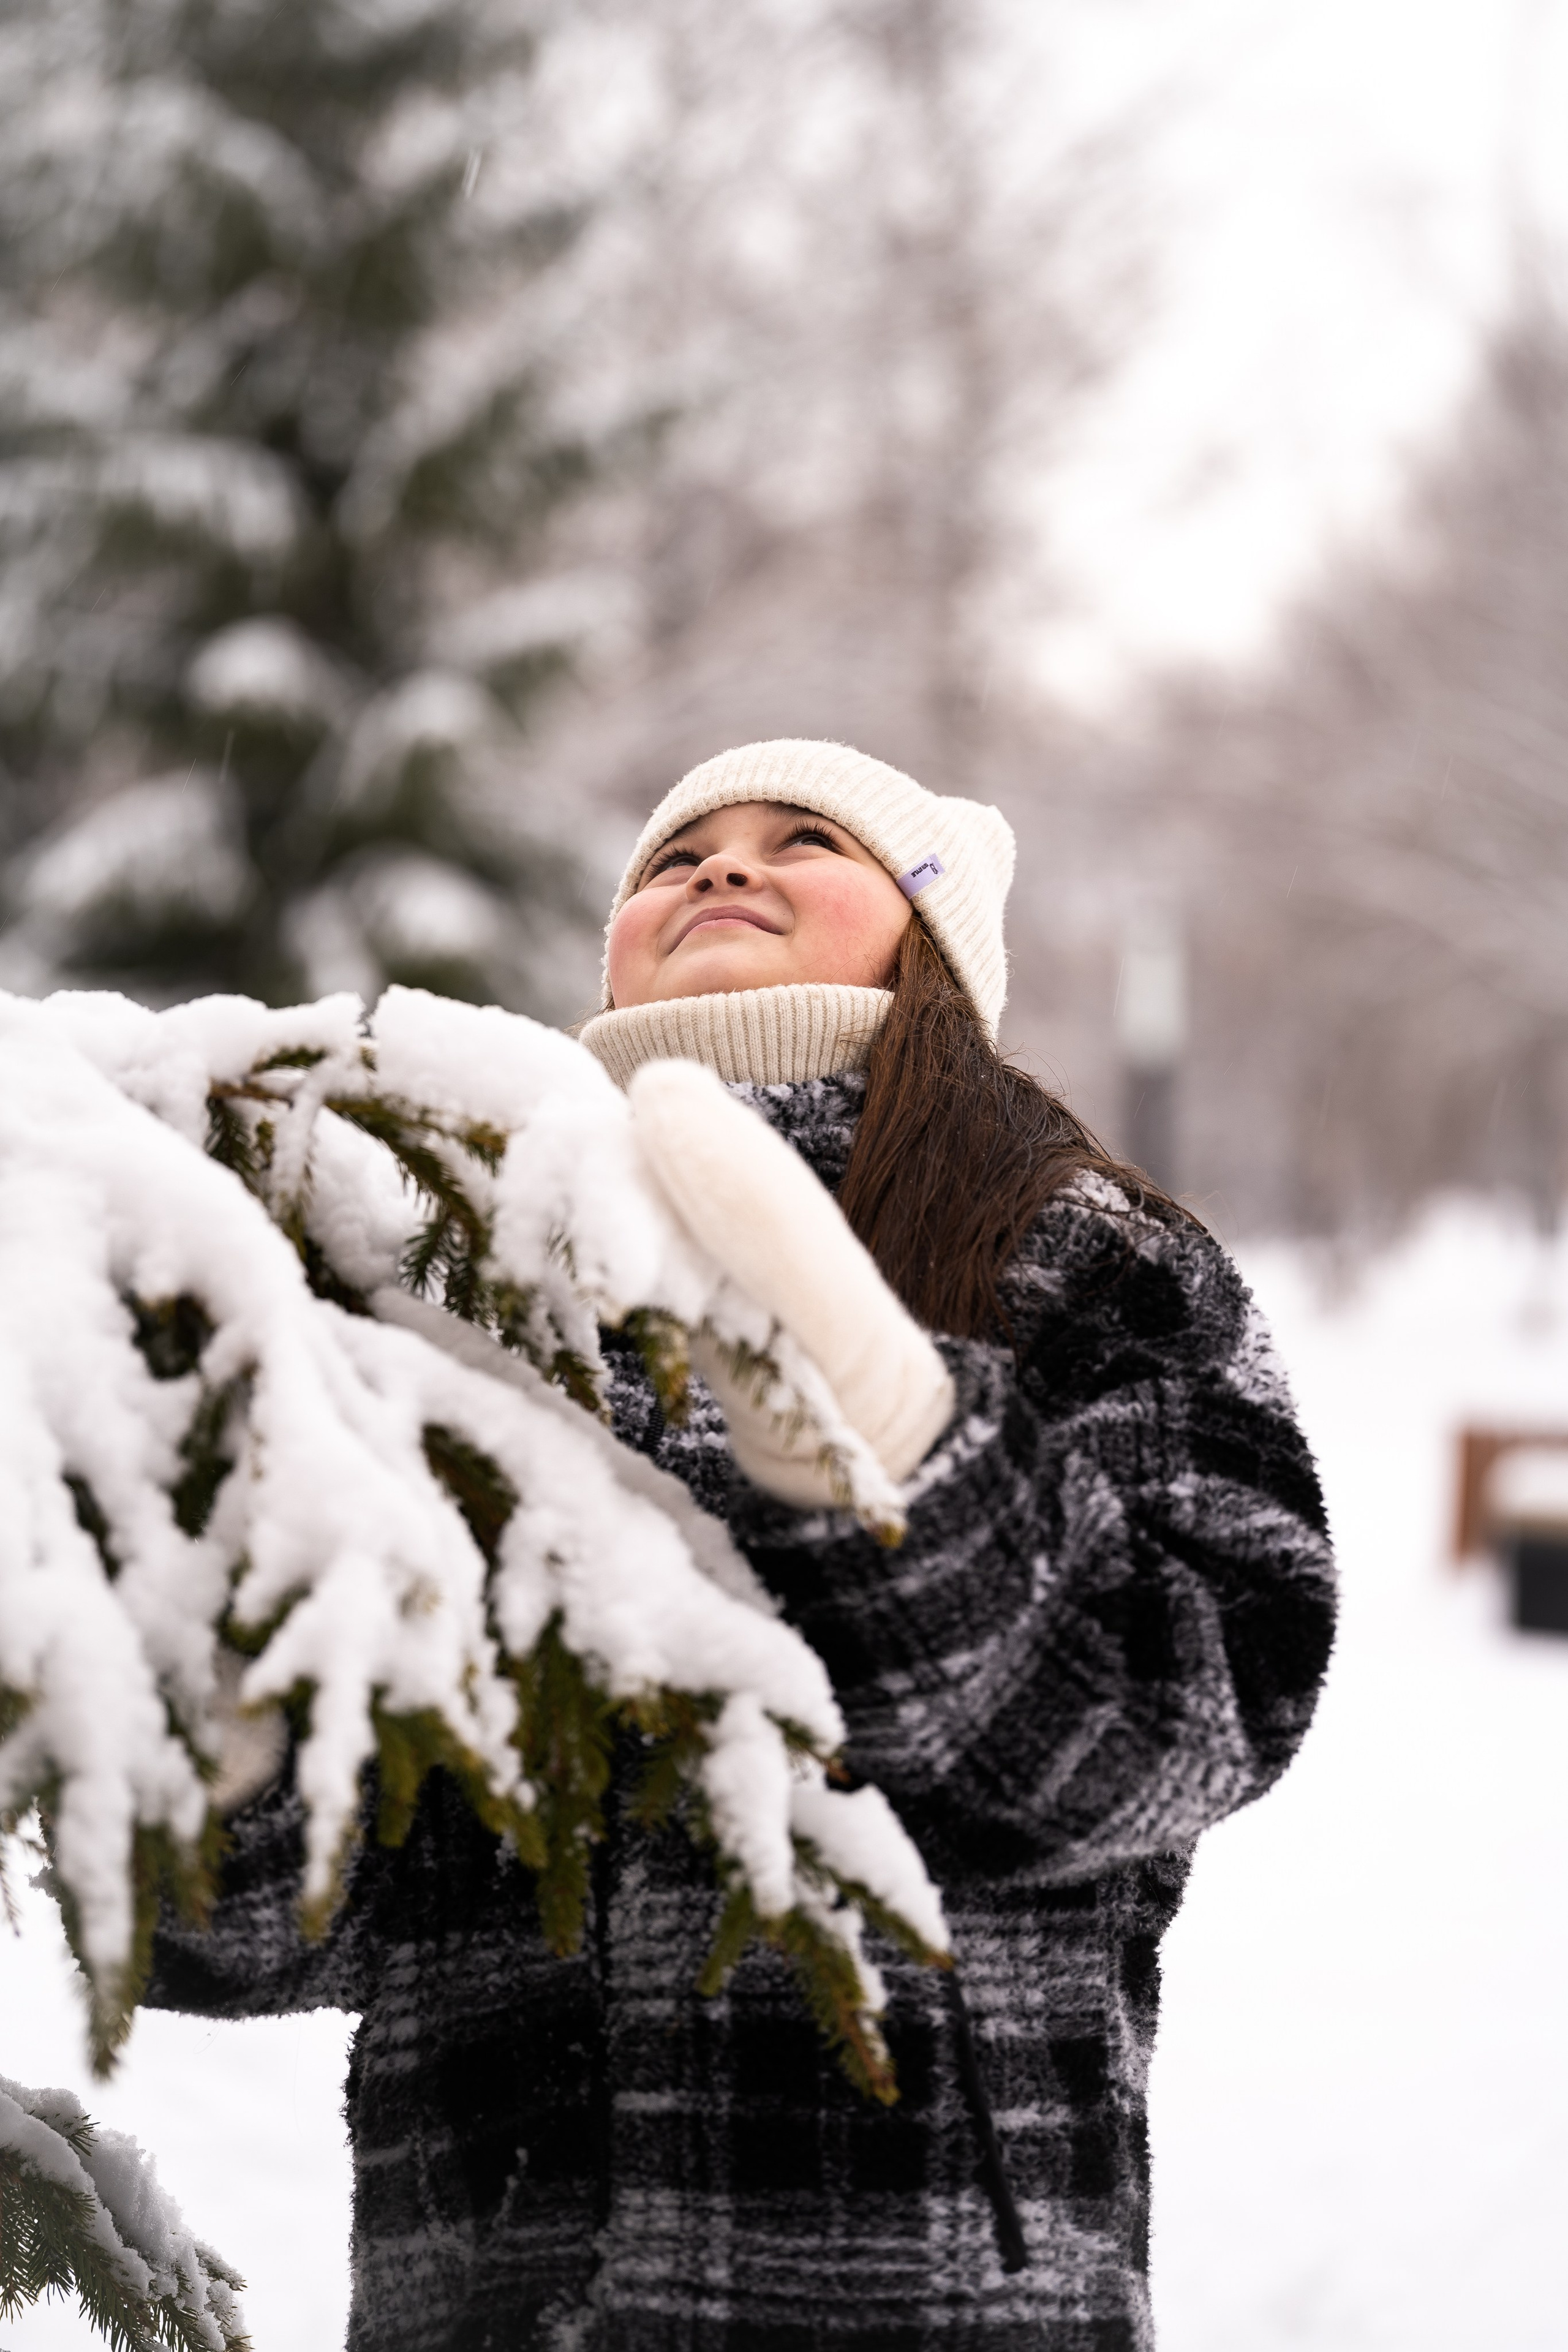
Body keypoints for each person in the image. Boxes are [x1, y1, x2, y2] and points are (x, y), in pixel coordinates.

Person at [149, 739, 1336, 2351]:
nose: (722, 867)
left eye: (804, 840)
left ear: (929, 941)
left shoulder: (1079, 1254)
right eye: (673, 855)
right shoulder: (466, 1293)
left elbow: (1194, 1717)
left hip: (931, 2306)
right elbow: (280, 1926)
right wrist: (205, 1707)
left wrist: (900, 1440)